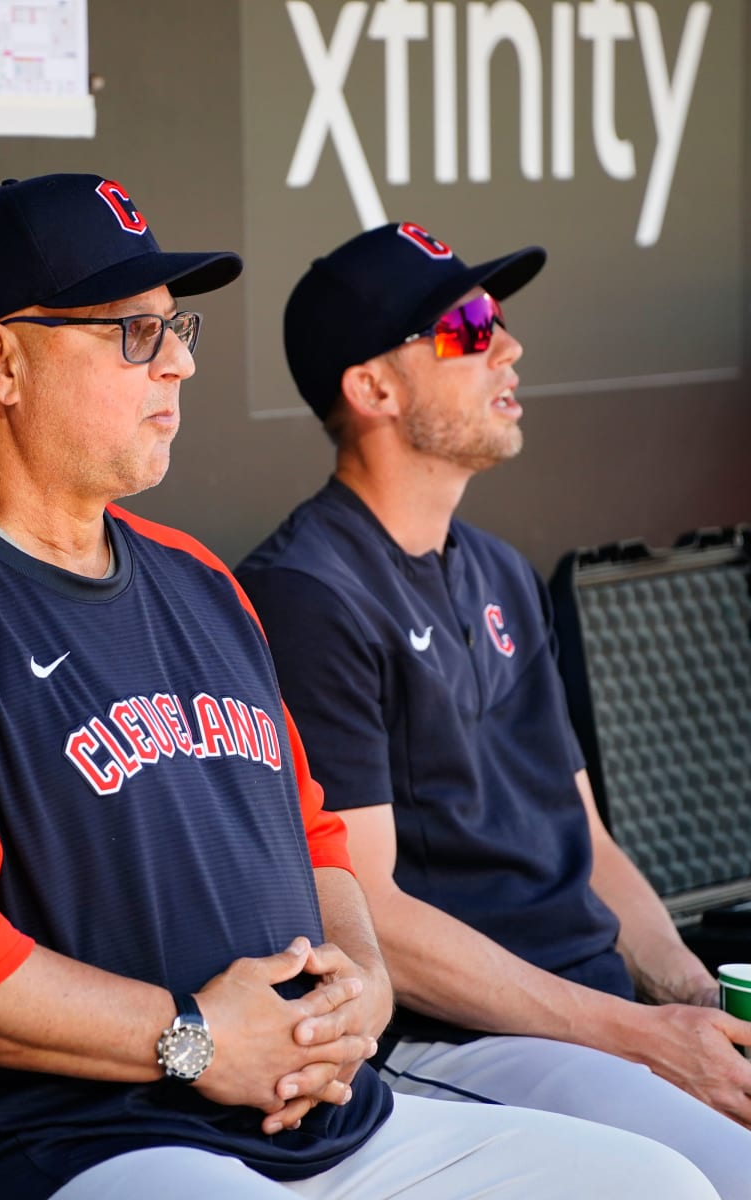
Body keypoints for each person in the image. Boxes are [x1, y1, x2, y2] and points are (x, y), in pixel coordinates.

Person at [0, 175, 719, 1200]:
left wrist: (358, 987)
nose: (180, 361)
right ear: (3, 360)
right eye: (133, 335)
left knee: (660, 1184)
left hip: (318, 1116)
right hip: (74, 1142)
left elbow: (317, 848)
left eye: (174, 328)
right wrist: (190, 1039)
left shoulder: (201, 580)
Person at [235, 220, 751, 1199]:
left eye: (500, 319)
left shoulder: (501, 569)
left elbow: (587, 843)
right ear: (374, 388)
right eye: (467, 326)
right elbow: (372, 913)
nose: (506, 345)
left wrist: (698, 999)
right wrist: (644, 1036)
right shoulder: (308, 594)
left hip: (596, 1017)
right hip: (455, 1046)